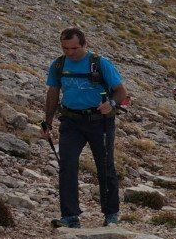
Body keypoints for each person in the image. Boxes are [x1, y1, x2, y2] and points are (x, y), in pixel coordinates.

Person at [41, 27, 129, 228]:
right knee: (67, 166)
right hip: (70, 122)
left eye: (74, 48)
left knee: (105, 166)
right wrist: (48, 121)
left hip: (100, 122)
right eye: (65, 48)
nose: (70, 53)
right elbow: (53, 91)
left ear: (84, 44)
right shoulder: (58, 65)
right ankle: (70, 217)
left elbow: (121, 91)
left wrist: (112, 104)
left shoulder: (100, 63)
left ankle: (111, 214)